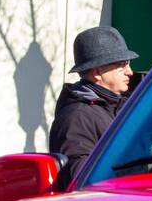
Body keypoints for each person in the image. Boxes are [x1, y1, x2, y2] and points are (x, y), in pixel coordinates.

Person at [48, 27, 138, 190]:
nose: (130, 72)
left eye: (128, 64)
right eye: (121, 65)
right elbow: (82, 181)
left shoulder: (122, 107)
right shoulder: (76, 118)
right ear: (97, 72)